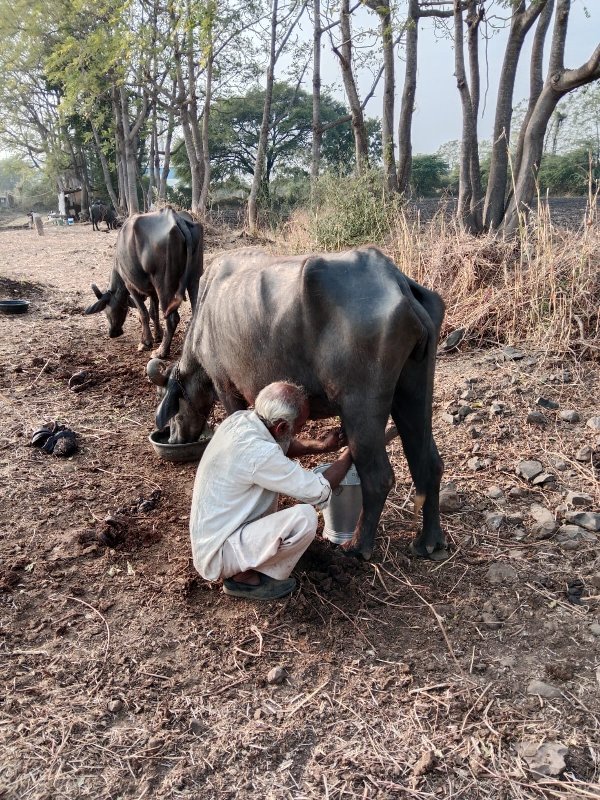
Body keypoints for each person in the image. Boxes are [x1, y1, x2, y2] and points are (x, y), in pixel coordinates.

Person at [189, 381, 353, 600]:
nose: (300, 431)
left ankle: (249, 562)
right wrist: (352, 452)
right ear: (282, 427)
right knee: (304, 519)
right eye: (299, 426)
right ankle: (242, 578)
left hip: (214, 538)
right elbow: (318, 490)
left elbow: (282, 445)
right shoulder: (259, 455)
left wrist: (321, 446)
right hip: (219, 554)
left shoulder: (241, 421)